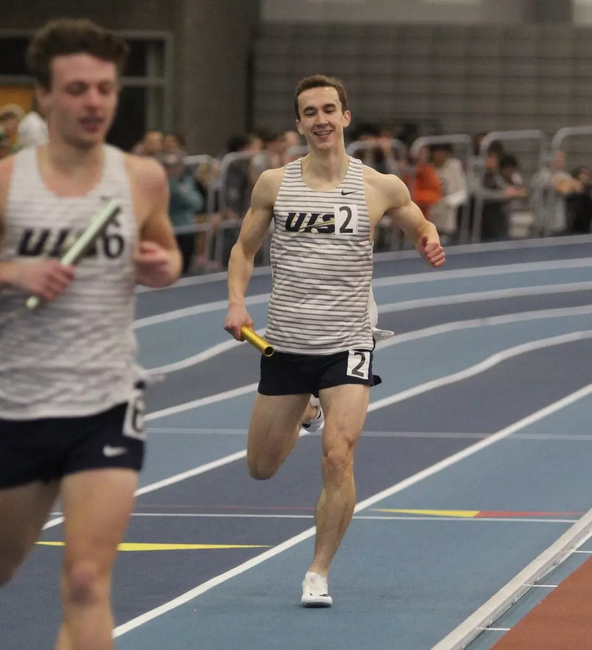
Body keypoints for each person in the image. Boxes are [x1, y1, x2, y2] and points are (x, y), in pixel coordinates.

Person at [0, 18, 182, 648]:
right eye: (76, 90)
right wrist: (13, 271)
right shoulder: (2, 182)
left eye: (104, 89)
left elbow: (169, 258)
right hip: (25, 406)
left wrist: (159, 266)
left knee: (88, 580)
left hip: (109, 401)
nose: (93, 102)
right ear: (44, 96)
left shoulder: (142, 178)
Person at [223, 74, 445, 608]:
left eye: (329, 109)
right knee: (261, 467)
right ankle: (307, 412)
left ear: (346, 117)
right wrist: (236, 300)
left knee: (338, 457)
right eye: (310, 112)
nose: (321, 120)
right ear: (299, 124)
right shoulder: (274, 184)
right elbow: (244, 249)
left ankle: (318, 571)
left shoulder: (380, 186)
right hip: (287, 343)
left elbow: (419, 223)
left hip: (348, 339)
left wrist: (429, 240)